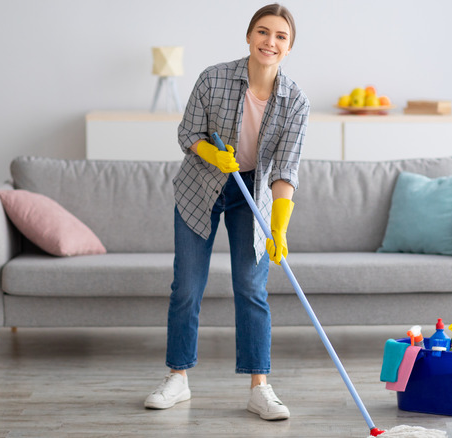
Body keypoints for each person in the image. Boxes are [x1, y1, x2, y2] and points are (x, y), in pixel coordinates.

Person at [144, 3, 309, 421]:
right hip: (201, 186)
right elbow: (187, 134)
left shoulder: (296, 102)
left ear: (289, 48)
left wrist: (280, 226)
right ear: (249, 36)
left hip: (251, 195)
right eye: (262, 32)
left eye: (280, 36)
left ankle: (260, 387)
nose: (269, 42)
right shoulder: (213, 78)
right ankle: (177, 378)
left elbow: (285, 169)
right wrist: (214, 156)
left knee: (251, 289)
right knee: (187, 286)